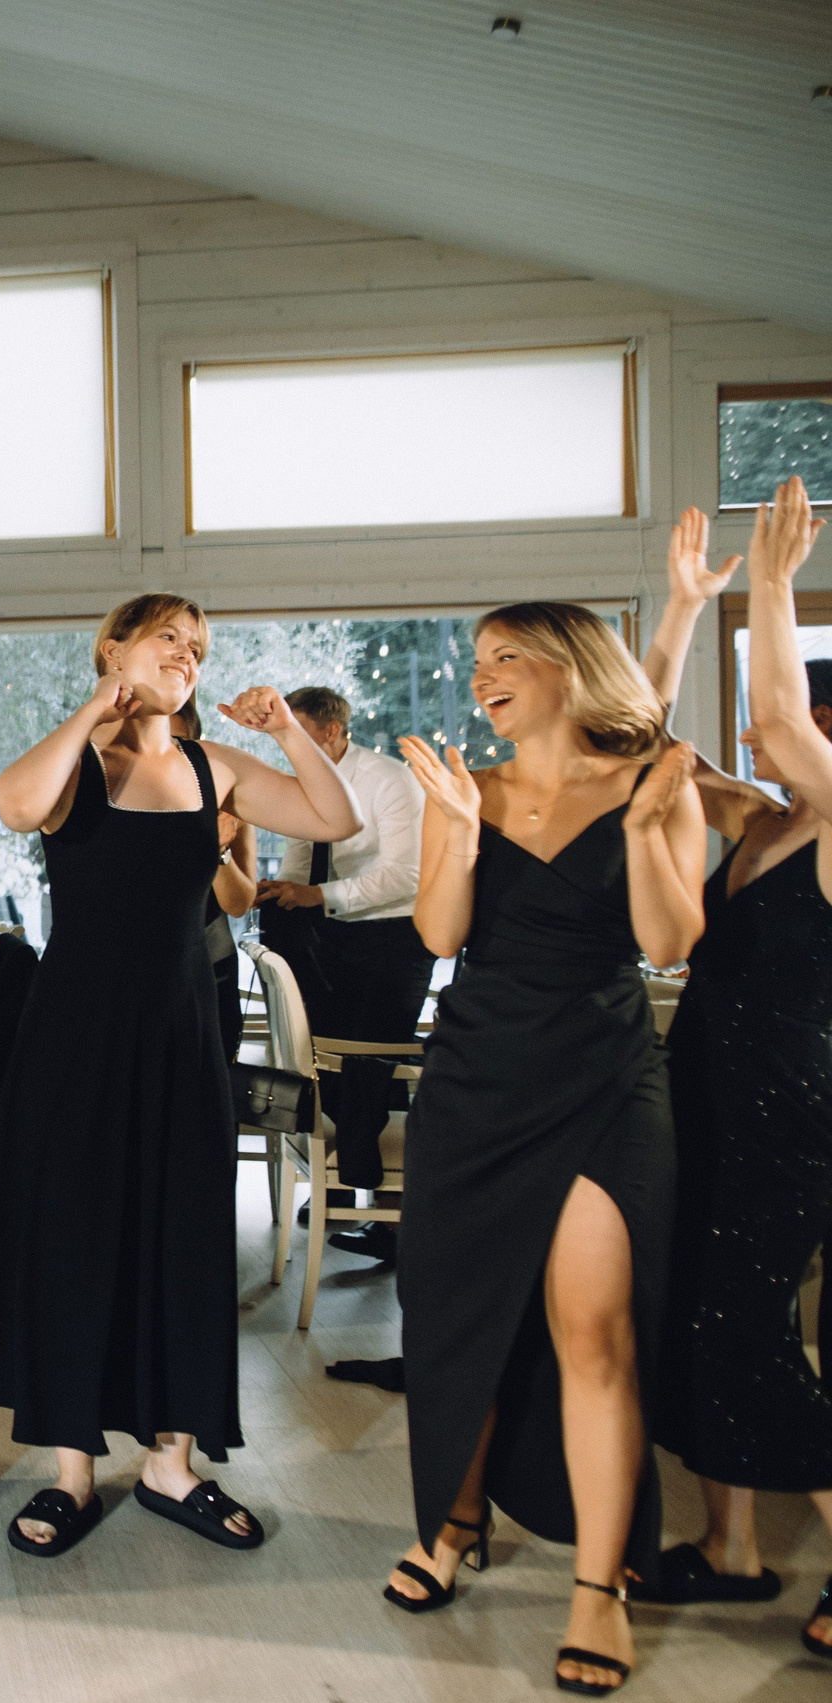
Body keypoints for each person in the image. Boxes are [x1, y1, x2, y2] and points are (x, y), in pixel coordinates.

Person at [0, 594, 360, 1562]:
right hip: (71, 1039)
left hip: (180, 1034)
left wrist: (288, 727)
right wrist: (97, 709)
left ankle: (172, 1462)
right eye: (167, 636)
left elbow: (332, 813)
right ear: (115, 647)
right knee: (72, 1238)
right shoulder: (80, 762)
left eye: (198, 646)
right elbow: (10, 803)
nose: (186, 654)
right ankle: (70, 1469)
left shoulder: (214, 768)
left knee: (181, 1235)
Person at [385, 603, 703, 1697]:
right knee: (461, 1310)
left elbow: (669, 942)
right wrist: (459, 832)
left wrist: (653, 826)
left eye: (507, 655)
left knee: (592, 1329)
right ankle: (453, 1517)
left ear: (572, 666)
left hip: (601, 1080)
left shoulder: (652, 776)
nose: (485, 677)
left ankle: (597, 1587)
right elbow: (437, 936)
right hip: (475, 1084)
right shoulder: (467, 784)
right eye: (477, 662)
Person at [636, 481, 832, 1658]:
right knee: (699, 1322)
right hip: (700, 1093)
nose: (761, 729)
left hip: (787, 1109)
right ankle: (731, 1547)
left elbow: (778, 708)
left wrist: (768, 581)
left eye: (790, 722)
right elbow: (647, 746)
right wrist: (681, 604)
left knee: (752, 1325)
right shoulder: (761, 822)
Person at [260, 687, 431, 1260]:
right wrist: (283, 888)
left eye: (299, 733)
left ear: (332, 731)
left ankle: (394, 1218)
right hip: (334, 933)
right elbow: (300, 855)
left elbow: (406, 875)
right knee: (326, 1061)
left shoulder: (389, 779)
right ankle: (340, 1180)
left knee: (375, 1061)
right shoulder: (307, 780)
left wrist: (318, 894)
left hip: (394, 936)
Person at [170, 705, 258, 1068]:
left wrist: (218, 851)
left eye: (176, 741)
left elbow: (238, 904)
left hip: (210, 965)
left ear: (196, 745)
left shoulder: (228, 803)